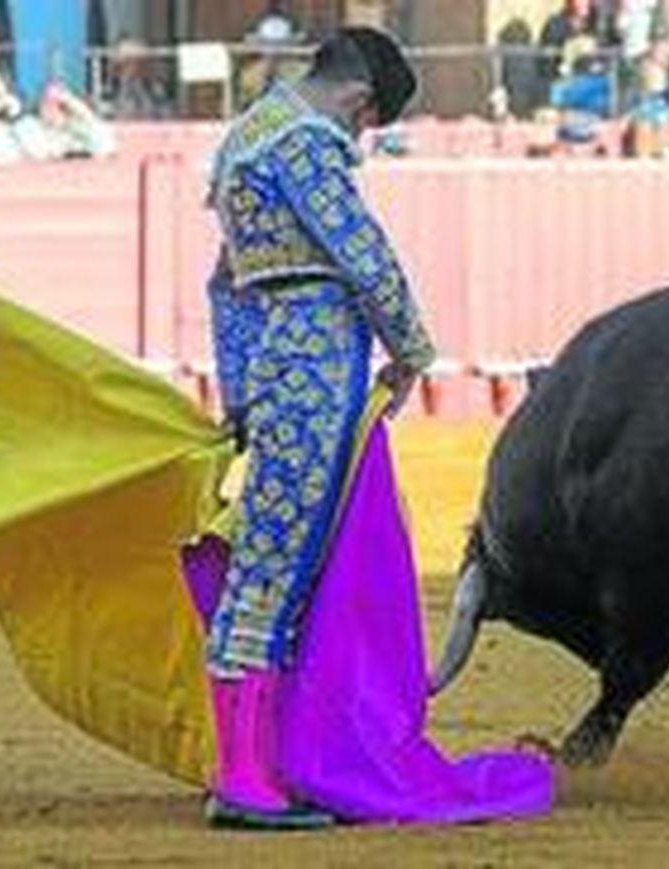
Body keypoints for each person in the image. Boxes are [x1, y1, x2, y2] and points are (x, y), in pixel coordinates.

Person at [200, 24, 436, 830]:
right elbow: (366, 258)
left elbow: (225, 286)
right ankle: (243, 778)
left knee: (270, 557)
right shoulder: (305, 142)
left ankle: (257, 762)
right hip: (316, 364)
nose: (355, 141)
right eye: (364, 126)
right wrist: (412, 350)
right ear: (360, 100)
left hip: (274, 362)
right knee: (277, 565)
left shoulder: (246, 138)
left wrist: (240, 392)